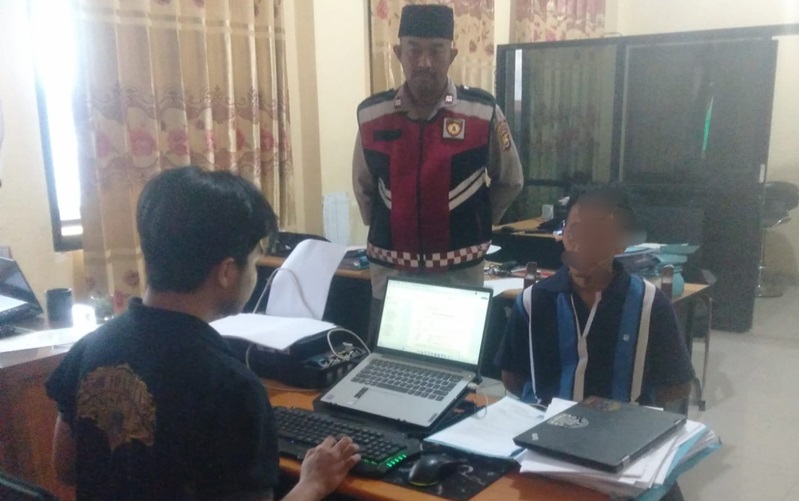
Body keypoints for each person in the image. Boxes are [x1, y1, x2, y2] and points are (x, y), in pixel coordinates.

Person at [46, 167, 360, 501]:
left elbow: (65, 468)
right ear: (227, 271)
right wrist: (312, 483)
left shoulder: (90, 349)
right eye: (254, 264)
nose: (254, 275)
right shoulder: (232, 388)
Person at [353, 4, 523, 346]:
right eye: (414, 50)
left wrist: (477, 220)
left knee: (456, 367)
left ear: (452, 54)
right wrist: (392, 224)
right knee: (386, 365)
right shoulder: (373, 114)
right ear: (399, 53)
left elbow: (510, 180)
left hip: (460, 275)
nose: (425, 62)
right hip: (391, 275)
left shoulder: (482, 111)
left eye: (436, 50)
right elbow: (364, 186)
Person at [495, 185, 695, 408]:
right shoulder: (533, 301)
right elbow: (511, 375)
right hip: (547, 421)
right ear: (563, 235)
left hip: (619, 425)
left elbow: (678, 384)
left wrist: (634, 408)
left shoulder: (649, 303)